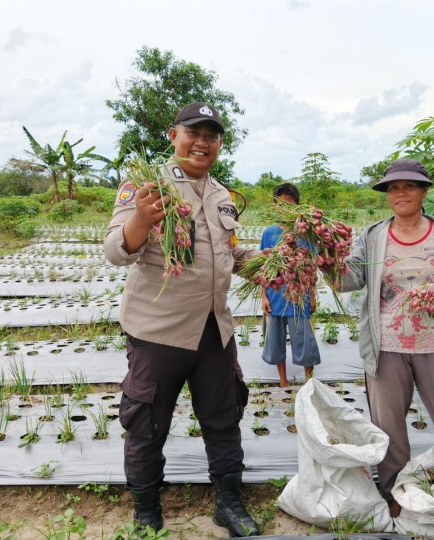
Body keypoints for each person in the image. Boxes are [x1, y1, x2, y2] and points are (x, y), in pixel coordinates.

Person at [104, 102, 260, 537]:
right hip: (159, 332)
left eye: (211, 135)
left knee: (224, 418)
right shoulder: (146, 185)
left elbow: (230, 252)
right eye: (194, 132)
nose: (202, 142)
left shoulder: (222, 194)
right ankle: (147, 509)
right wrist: (141, 218)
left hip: (214, 330)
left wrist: (271, 264)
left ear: (219, 144)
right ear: (174, 136)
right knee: (147, 425)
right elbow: (116, 251)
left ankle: (228, 504)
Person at [339, 159, 434, 517]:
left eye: (409, 186)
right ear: (387, 195)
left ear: (424, 191)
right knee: (387, 426)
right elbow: (350, 279)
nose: (400, 193)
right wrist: (322, 258)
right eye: (393, 187)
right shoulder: (372, 236)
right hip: (385, 346)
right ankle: (392, 493)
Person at [260, 183, 321, 386]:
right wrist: (263, 296)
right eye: (280, 204)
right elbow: (263, 267)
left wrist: (312, 295)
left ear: (298, 206)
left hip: (299, 295)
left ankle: (309, 382)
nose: (285, 209)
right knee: (275, 341)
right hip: (275, 294)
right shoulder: (269, 233)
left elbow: (311, 267)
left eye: (290, 204)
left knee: (304, 341)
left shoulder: (306, 232)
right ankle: (283, 381)